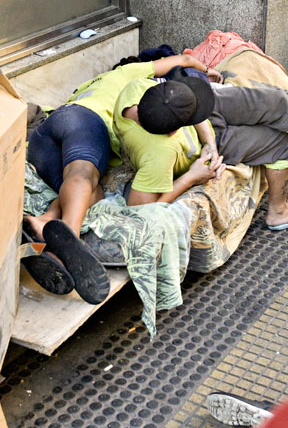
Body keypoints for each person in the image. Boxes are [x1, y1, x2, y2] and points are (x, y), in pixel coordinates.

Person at [22, 54, 214, 304]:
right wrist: (209, 69)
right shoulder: (155, 143)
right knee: (83, 173)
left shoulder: (125, 75)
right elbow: (142, 206)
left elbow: (183, 59)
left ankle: (42, 221)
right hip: (83, 120)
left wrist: (198, 65)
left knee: (90, 193)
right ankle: (69, 241)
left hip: (42, 142)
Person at [115, 74, 288, 230]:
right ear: (175, 132)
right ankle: (278, 212)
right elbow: (139, 212)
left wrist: (210, 142)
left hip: (201, 124)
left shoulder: (139, 90)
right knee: (283, 143)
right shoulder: (158, 153)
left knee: (278, 100)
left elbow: (177, 108)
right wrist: (191, 177)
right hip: (200, 141)